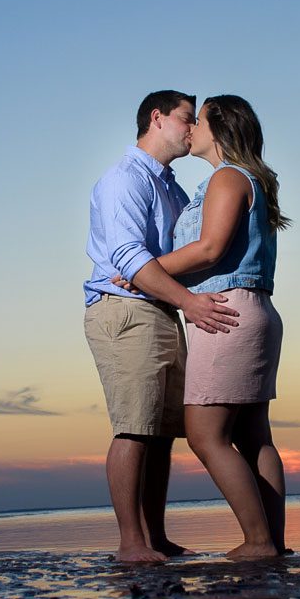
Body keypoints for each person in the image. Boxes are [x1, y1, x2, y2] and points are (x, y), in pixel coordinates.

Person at [119, 95, 289, 560]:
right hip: (251, 309)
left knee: (204, 434)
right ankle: (272, 540)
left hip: (226, 312)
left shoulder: (229, 177)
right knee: (254, 436)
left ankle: (258, 542)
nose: (191, 127)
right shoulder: (240, 179)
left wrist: (145, 269)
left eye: (200, 119)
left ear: (220, 128)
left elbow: (211, 249)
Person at [84, 90, 241, 563]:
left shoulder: (170, 187)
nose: (192, 129)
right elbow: (131, 258)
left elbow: (171, 258)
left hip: (161, 309)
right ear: (157, 118)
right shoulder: (124, 179)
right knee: (133, 426)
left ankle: (156, 537)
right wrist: (190, 302)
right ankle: (131, 543)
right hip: (125, 310)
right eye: (185, 119)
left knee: (158, 429)